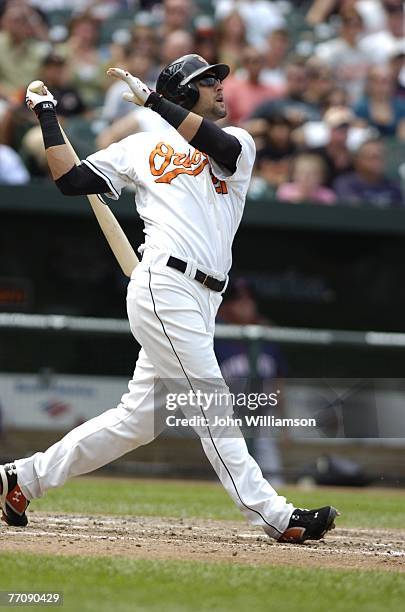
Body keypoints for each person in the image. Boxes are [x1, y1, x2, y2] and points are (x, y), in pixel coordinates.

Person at [0, 54, 339, 545]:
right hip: (166, 283)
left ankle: (22, 478)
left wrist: (154, 101)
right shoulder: (140, 147)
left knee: (138, 422)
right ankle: (274, 515)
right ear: (184, 91)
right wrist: (48, 114)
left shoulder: (238, 143)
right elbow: (70, 179)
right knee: (211, 399)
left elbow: (213, 141)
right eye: (207, 81)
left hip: (205, 299)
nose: (221, 86)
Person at [333, 138, 404, 208]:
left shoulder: (394, 186)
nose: (379, 161)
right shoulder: (345, 183)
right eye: (374, 157)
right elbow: (355, 212)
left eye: (383, 156)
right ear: (359, 160)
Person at [353, 64, 405, 140]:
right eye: (376, 81)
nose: (381, 86)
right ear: (369, 84)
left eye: (385, 81)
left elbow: (402, 138)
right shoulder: (360, 107)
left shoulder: (401, 106)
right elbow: (359, 138)